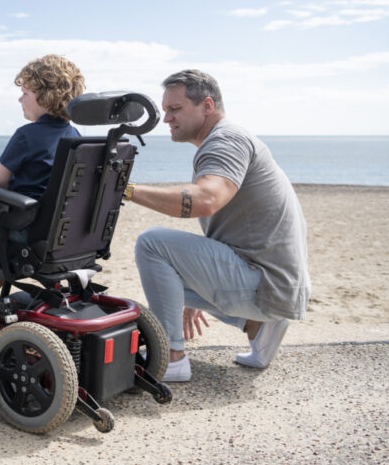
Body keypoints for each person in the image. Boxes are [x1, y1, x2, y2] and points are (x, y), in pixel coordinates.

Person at [125, 70, 310, 381]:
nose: (166, 119)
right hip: (278, 284)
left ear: (206, 106)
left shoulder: (225, 141)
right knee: (166, 268)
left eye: (175, 109)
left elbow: (206, 199)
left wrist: (126, 190)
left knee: (152, 243)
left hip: (267, 283)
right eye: (165, 110)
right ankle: (258, 327)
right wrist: (192, 284)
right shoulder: (227, 139)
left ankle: (171, 359)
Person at [0, 54, 86, 200]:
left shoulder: (25, 135)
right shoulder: (75, 136)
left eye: (25, 93)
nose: (20, 99)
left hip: (24, 218)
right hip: (59, 217)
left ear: (46, 98)